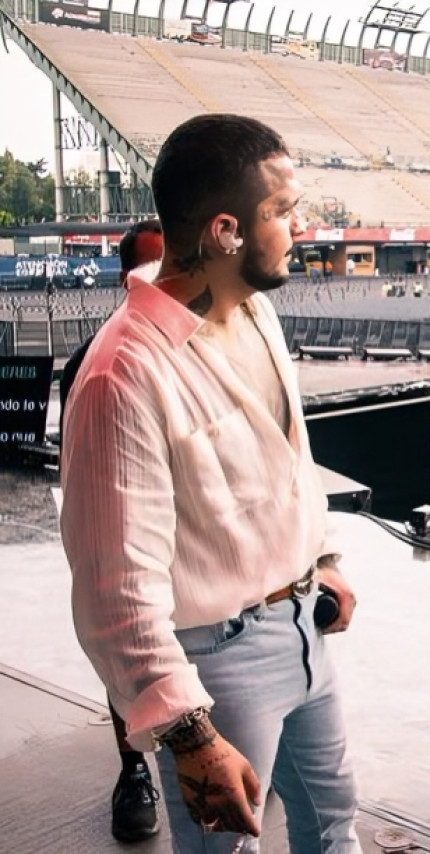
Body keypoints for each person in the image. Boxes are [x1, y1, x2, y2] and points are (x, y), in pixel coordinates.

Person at [60, 114, 363, 853]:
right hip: (216, 662)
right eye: (282, 212)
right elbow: (115, 590)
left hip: (303, 630)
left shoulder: (257, 312)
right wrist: (190, 735)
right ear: (226, 231)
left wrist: (321, 557)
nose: (301, 227)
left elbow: (289, 459)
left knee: (334, 827)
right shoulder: (121, 375)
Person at [58, 218, 165, 844]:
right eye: (150, 266)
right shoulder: (93, 366)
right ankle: (134, 772)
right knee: (125, 672)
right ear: (127, 278)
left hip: (197, 552)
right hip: (130, 548)